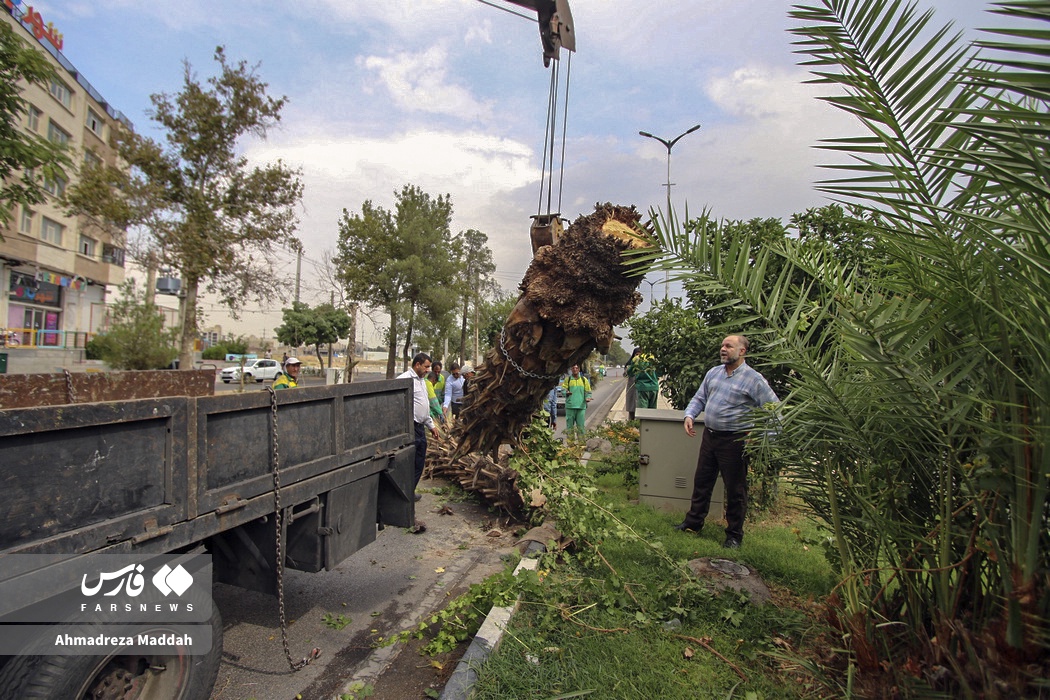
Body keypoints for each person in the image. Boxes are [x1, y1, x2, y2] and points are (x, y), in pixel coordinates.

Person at [677, 335, 778, 549]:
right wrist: (689, 415)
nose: (723, 349)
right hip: (710, 436)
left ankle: (734, 536)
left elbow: (774, 410)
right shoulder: (714, 373)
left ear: (742, 351)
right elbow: (699, 398)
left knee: (735, 490)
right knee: (702, 482)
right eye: (722, 345)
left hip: (735, 441)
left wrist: (761, 438)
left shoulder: (754, 379)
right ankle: (693, 524)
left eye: (728, 346)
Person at [398, 353, 439, 512]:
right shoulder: (404, 380)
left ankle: (410, 490)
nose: (429, 369)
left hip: (421, 427)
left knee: (419, 461)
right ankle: (404, 494)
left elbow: (424, 406)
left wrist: (431, 425)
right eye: (426, 366)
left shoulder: (422, 381)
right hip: (410, 428)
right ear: (417, 365)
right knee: (409, 461)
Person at [561, 364, 591, 440]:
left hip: (581, 407)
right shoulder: (568, 380)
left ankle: (581, 444)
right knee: (570, 427)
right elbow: (563, 390)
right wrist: (566, 393)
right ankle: (571, 445)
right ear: (571, 369)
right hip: (570, 407)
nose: (575, 369)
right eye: (573, 368)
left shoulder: (584, 380)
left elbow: (588, 392)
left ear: (579, 369)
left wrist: (588, 398)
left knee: (581, 427)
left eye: (576, 368)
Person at [625, 348, 640, 421]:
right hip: (632, 387)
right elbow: (626, 374)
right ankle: (631, 424)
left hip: (640, 388)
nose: (638, 357)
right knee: (631, 407)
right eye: (636, 354)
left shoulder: (643, 364)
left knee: (639, 407)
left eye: (639, 355)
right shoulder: (630, 364)